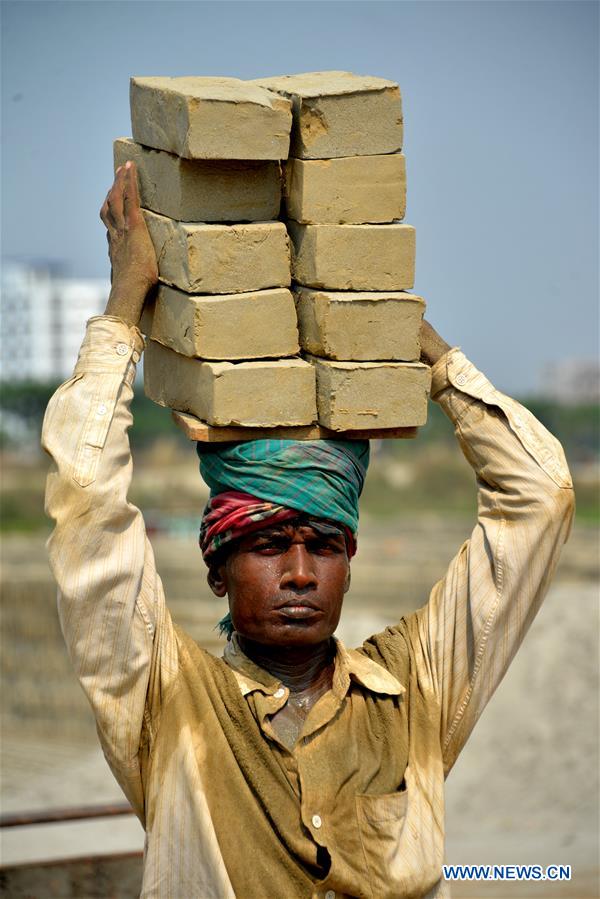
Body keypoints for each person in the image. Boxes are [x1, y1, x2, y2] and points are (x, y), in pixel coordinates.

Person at [42, 162, 574, 899]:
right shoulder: (165, 701)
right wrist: (126, 307)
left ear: (349, 561)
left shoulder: (415, 690)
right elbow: (88, 505)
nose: (300, 572)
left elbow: (541, 498)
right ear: (217, 566)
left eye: (324, 546)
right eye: (268, 544)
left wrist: (420, 347)